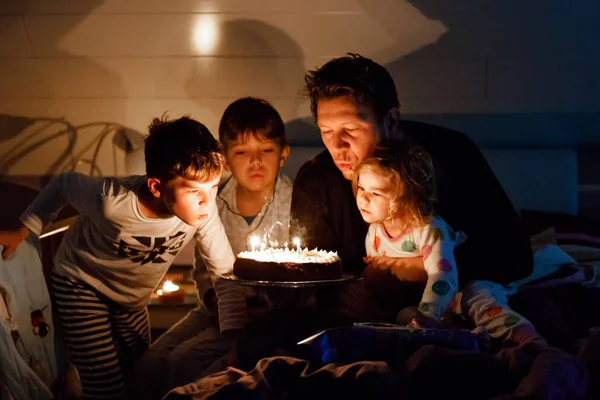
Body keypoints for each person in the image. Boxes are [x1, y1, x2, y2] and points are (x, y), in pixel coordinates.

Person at [0, 115, 247, 400]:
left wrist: (233, 340)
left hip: (131, 298)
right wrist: (24, 228)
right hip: (81, 284)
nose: (207, 202)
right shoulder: (112, 201)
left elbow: (225, 275)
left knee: (140, 372)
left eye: (214, 188)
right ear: (156, 187)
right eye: (195, 191)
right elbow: (63, 185)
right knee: (105, 383)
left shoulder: (204, 214)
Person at [290, 53, 533, 309]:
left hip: (459, 306)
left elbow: (515, 256)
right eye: (326, 131)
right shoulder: (317, 179)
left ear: (391, 120)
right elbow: (307, 284)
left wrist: (422, 269)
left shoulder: (452, 153)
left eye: (351, 130)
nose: (337, 146)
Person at [134, 98, 293, 398]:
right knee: (150, 365)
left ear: (283, 153)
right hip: (214, 310)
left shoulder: (296, 203)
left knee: (184, 362)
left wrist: (272, 307)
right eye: (242, 152)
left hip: (268, 317)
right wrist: (212, 302)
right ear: (225, 159)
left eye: (266, 151)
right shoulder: (210, 202)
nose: (255, 162)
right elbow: (204, 269)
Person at [354, 140, 466, 327]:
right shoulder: (375, 231)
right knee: (404, 317)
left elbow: (443, 277)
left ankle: (528, 341)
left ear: (407, 197)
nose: (363, 198)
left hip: (460, 292)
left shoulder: (428, 228)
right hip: (420, 301)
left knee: (484, 306)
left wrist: (427, 317)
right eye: (361, 188)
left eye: (376, 193)